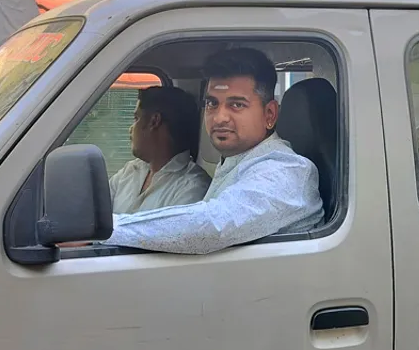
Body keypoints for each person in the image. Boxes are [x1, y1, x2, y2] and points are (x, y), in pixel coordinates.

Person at [106, 46, 323, 255]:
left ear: (269, 115)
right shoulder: (235, 164)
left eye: (236, 105)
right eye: (212, 104)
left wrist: (104, 230)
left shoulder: (288, 170)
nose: (219, 118)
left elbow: (213, 225)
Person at [109, 85, 209, 213]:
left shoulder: (192, 187)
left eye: (136, 119)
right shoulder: (129, 171)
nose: (130, 129)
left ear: (154, 121)